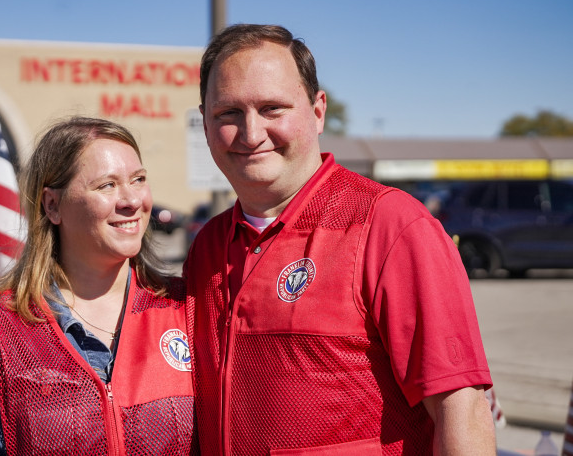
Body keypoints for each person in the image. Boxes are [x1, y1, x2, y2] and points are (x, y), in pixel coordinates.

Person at [184, 24, 495, 455]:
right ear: (205, 121)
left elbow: (461, 409)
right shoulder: (207, 246)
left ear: (317, 110)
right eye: (228, 114)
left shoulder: (390, 226)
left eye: (272, 108)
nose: (251, 134)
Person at [0, 117, 197, 455]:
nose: (131, 200)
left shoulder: (187, 308)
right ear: (52, 205)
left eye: (138, 180)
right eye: (107, 185)